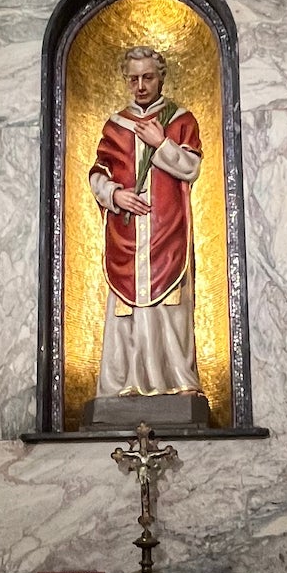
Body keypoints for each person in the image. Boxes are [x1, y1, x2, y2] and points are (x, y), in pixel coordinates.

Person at [88, 45, 203, 400]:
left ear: (160, 78)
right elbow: (97, 173)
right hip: (127, 237)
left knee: (171, 309)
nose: (140, 85)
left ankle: (178, 380)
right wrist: (115, 195)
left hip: (167, 234)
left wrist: (162, 142)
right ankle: (124, 384)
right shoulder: (115, 125)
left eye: (147, 77)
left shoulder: (181, 120)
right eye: (133, 78)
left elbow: (191, 167)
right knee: (127, 311)